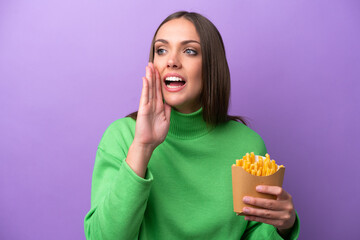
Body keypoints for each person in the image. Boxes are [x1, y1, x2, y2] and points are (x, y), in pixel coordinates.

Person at [84, 11, 300, 240]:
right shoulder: (122, 136)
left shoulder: (247, 145)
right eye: (161, 50)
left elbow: (256, 232)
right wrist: (142, 147)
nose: (172, 61)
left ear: (211, 66)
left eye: (189, 51)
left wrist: (283, 226)